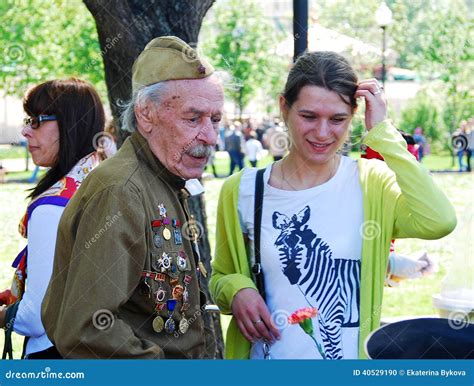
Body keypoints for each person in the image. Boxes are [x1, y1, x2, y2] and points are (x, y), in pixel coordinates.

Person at [210, 51, 456, 360]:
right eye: (309, 116)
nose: (323, 133)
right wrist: (237, 290)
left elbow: (439, 220)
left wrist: (382, 133)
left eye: (338, 119)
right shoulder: (243, 190)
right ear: (284, 107)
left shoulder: (372, 184)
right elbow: (220, 277)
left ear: (354, 114)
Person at [41, 36, 224, 359]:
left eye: (215, 119)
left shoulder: (163, 179)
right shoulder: (122, 189)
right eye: (193, 118)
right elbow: (87, 330)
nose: (210, 137)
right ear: (146, 114)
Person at [0, 78, 105, 359]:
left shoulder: (52, 207)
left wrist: (6, 316)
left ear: (71, 124)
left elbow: (37, 316)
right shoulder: (101, 183)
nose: (24, 131)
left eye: (36, 121)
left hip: (53, 355)